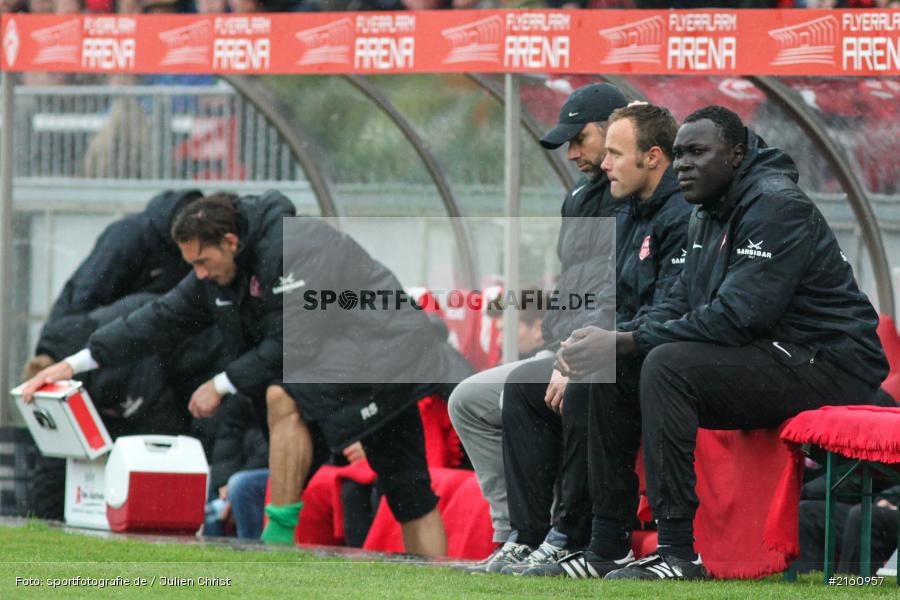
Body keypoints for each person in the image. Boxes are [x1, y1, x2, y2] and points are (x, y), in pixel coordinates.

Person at [556, 105, 889, 581]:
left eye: (697, 152)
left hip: (832, 364)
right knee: (611, 369)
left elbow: (738, 316)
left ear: (735, 155)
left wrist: (632, 340)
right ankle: (605, 545)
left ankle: (677, 553)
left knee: (665, 365)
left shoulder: (776, 205)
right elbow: (680, 304)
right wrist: (614, 342)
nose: (684, 163)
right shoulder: (706, 211)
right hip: (773, 353)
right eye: (680, 154)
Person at [22, 191, 453, 556]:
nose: (199, 274)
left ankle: (283, 544)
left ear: (230, 241)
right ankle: (278, 542)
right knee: (399, 486)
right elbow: (154, 319)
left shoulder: (296, 248)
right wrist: (73, 363)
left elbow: (294, 341)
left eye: (203, 261)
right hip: (335, 363)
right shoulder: (218, 275)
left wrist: (220, 384)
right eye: (191, 264)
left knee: (407, 491)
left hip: (383, 357)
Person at [503, 104, 691, 577]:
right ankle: (530, 537)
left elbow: (673, 308)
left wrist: (598, 347)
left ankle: (593, 539)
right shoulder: (630, 211)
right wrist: (579, 344)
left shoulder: (682, 213)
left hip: (666, 353)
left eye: (614, 153)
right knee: (516, 392)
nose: (604, 164)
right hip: (628, 343)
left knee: (595, 378)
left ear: (651, 157)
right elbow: (611, 294)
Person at [448, 83, 629, 574]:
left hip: (608, 354)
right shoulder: (579, 197)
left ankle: (553, 536)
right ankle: (513, 536)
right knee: (468, 399)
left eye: (581, 139)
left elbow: (624, 296)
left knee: (526, 391)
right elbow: (574, 282)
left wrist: (572, 359)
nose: (572, 153)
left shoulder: (642, 196)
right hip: (566, 347)